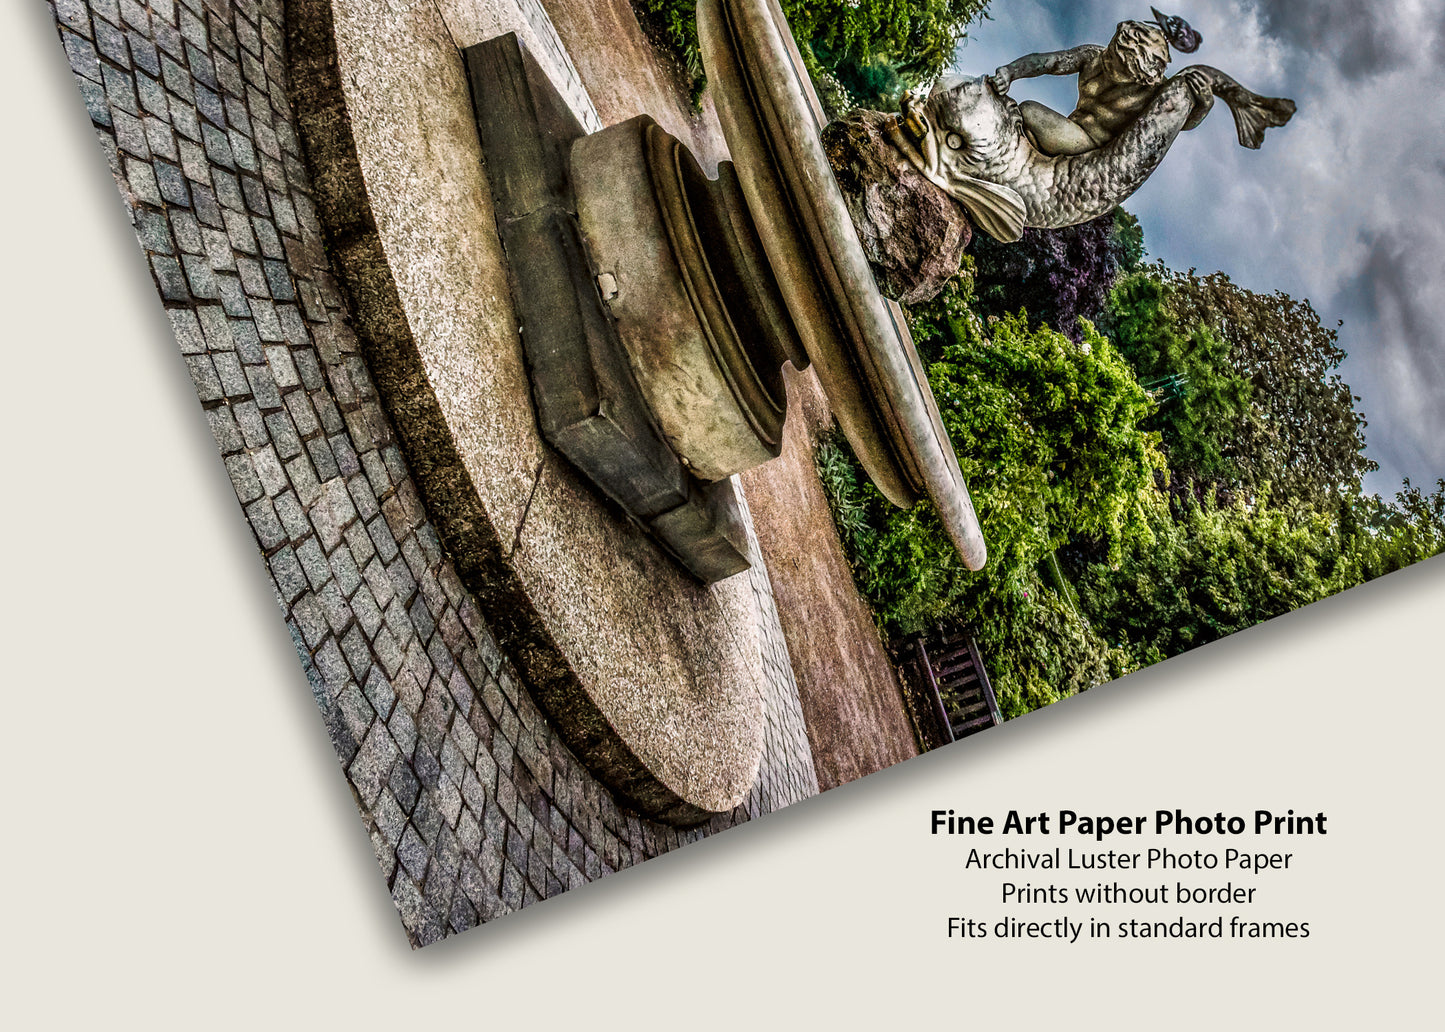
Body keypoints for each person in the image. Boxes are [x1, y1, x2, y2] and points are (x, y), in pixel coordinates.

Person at [988, 9, 1207, 156]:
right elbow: (1049, 62)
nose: (1112, 68)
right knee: (1017, 122)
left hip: (1091, 149)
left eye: (1122, 69)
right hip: (1069, 130)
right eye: (1112, 57)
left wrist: (1203, 107)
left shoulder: (1153, 90)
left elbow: (1180, 122)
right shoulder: (1094, 56)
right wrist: (1010, 72)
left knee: (1028, 111)